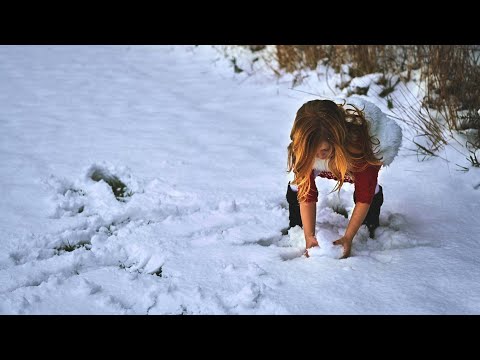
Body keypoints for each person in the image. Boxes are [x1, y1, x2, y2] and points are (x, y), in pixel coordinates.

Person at [285, 97, 402, 259]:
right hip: (335, 156)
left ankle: (369, 225)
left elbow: (363, 197)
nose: (319, 155)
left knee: (369, 188)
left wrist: (348, 237)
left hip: (352, 160)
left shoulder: (359, 150)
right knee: (297, 187)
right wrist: (309, 236)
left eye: (324, 150)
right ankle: (296, 225)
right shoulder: (306, 149)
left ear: (336, 140)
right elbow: (307, 194)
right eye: (314, 151)